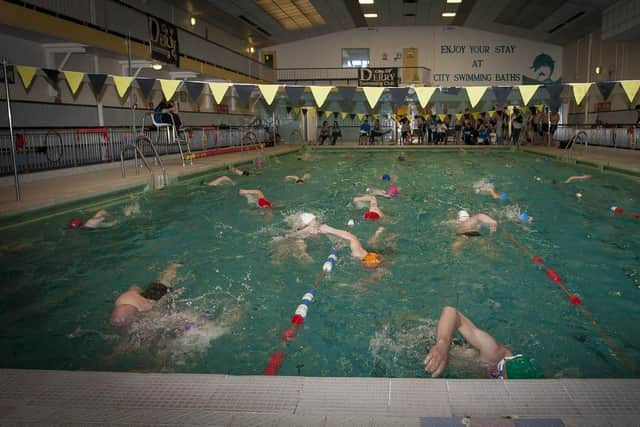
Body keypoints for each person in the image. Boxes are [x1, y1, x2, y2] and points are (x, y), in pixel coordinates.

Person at [424, 306, 542, 379]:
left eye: (500, 375)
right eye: (500, 367)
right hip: (439, 349)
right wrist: (442, 344)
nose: (495, 371)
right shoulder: (493, 351)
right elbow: (451, 311)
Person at [110, 262, 183, 327]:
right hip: (142, 295)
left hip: (153, 298)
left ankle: (173, 266)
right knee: (162, 282)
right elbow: (134, 287)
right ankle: (172, 266)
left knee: (165, 282)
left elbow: (157, 305)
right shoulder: (123, 299)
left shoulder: (144, 308)